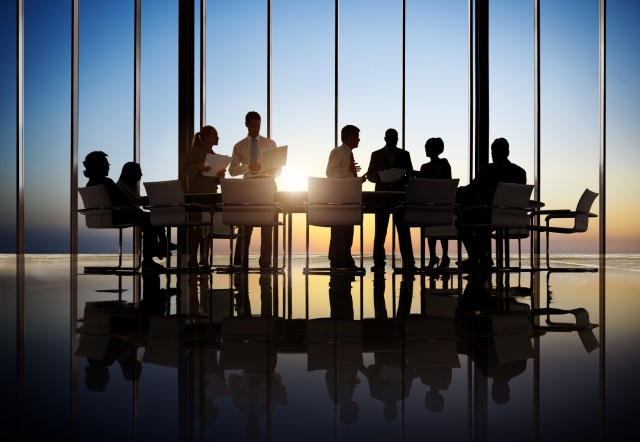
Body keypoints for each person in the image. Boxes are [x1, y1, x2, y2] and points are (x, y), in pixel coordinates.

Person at [83, 151, 164, 269]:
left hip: (101, 217)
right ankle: (150, 257)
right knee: (150, 218)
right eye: (106, 164)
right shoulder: (107, 182)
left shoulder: (90, 184)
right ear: (99, 166)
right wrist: (136, 210)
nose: (108, 166)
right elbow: (121, 201)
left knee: (146, 218)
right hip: (116, 216)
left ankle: (157, 248)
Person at [455, 138, 526, 271]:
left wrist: (456, 191)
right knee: (481, 225)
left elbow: (472, 189)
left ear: (493, 154)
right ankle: (479, 258)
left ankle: (477, 257)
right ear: (508, 152)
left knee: (461, 222)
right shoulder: (520, 172)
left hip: (490, 215)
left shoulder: (489, 169)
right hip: (514, 216)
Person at [228, 111, 279, 269]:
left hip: (267, 185)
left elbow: (278, 170)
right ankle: (239, 263)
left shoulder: (270, 144)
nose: (256, 129)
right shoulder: (239, 146)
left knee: (267, 225)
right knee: (245, 225)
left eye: (258, 126)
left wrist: (270, 170)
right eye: (253, 126)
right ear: (246, 125)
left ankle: (265, 263)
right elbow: (232, 170)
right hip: (249, 186)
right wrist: (248, 167)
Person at [365, 128, 415, 272]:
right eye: (392, 138)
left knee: (403, 229)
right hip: (382, 195)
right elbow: (370, 175)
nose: (394, 141)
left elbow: (410, 174)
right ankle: (379, 262)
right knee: (380, 229)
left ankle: (408, 261)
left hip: (399, 195)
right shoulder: (376, 155)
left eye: (396, 138)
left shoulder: (405, 155)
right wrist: (382, 176)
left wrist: (401, 177)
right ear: (386, 139)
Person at [183, 125, 227, 267]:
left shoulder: (215, 157)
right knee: (198, 226)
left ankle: (205, 259)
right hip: (197, 193)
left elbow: (218, 181)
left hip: (211, 194)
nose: (218, 137)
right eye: (215, 135)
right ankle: (193, 259)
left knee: (208, 227)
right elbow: (185, 169)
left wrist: (221, 176)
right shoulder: (196, 151)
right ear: (206, 137)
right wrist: (198, 167)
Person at [326, 124, 365, 269]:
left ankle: (345, 257)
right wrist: (348, 170)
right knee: (340, 230)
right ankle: (338, 258)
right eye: (356, 136)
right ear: (349, 137)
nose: (359, 140)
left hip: (349, 196)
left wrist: (358, 179)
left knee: (348, 229)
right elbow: (330, 173)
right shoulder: (337, 152)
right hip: (340, 197)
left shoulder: (348, 153)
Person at [117, 162, 176, 258]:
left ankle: (161, 246)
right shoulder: (122, 186)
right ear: (131, 173)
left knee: (151, 220)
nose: (141, 174)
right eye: (139, 172)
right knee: (152, 219)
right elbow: (135, 200)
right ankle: (162, 245)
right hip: (127, 215)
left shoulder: (124, 185)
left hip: (129, 214)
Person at [418, 137, 453, 269]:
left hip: (436, 203)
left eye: (428, 147)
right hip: (438, 203)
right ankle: (438, 256)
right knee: (434, 226)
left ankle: (439, 256)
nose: (426, 150)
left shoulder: (437, 165)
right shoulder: (438, 165)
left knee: (434, 225)